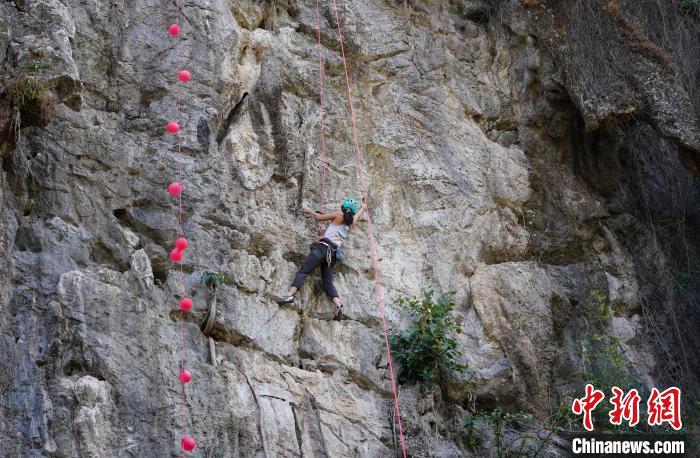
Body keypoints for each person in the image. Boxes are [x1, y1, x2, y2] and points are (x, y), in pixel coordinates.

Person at [277, 197, 366, 320]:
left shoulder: (338, 214)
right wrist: (363, 206)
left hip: (323, 249)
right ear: (353, 211)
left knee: (303, 270)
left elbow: (319, 218)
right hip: (333, 255)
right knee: (328, 283)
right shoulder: (351, 223)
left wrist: (310, 210)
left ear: (343, 206)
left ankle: (289, 295)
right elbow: (358, 215)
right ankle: (338, 305)